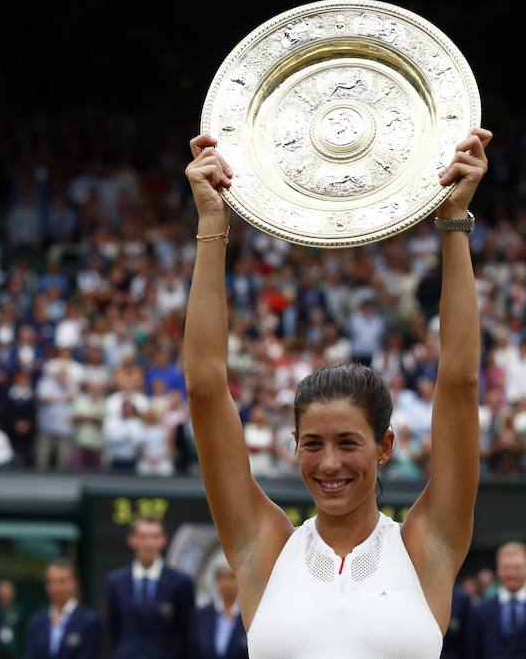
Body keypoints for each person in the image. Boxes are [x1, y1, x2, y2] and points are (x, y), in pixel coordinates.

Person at [183, 127, 491, 658]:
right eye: (313, 444)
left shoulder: (426, 545)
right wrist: (213, 225)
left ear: (385, 445)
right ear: (294, 444)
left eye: (348, 443)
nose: (329, 464)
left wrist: (454, 224)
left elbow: (459, 383)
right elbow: (206, 386)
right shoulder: (264, 548)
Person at [105, 517, 195, 659]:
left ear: (163, 540)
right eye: (143, 537)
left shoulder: (181, 582)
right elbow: (114, 630)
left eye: (154, 537)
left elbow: (186, 632)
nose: (149, 543)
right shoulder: (116, 582)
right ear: (132, 540)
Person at [467, 542, 526, 658]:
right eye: (506, 567)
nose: (511, 573)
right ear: (497, 570)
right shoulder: (480, 611)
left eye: (518, 568)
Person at [25, 559, 101, 659]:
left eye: (62, 581)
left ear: (75, 583)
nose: (55, 588)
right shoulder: (36, 623)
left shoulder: (89, 621)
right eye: (51, 582)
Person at [189, 556, 247, 659]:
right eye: (222, 578)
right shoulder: (200, 616)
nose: (228, 583)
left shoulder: (250, 616)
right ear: (216, 581)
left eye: (232, 577)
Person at [0, 578, 24, 658]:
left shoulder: (20, 611)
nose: (4, 597)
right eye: (2, 594)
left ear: (13, 594)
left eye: (7, 593)